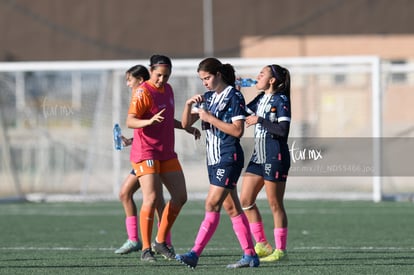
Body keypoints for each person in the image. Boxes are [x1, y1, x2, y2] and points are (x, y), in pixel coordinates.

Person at [176, 57, 259, 269]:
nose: (204, 82)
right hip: (213, 159)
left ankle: (194, 253)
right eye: (201, 79)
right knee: (232, 208)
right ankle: (250, 255)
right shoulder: (207, 97)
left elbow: (238, 130)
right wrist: (188, 105)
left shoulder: (234, 96)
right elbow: (186, 124)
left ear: (218, 75)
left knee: (211, 204)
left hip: (228, 156)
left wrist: (210, 118)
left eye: (207, 77)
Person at [116, 65, 200, 255]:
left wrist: (186, 127)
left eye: (166, 75)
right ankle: (146, 248)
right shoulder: (141, 92)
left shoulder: (168, 90)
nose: (162, 79)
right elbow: (131, 121)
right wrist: (148, 122)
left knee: (180, 197)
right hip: (146, 152)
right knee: (151, 198)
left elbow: (166, 120)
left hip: (166, 152)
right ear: (151, 71)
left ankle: (161, 241)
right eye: (159, 75)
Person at [239, 64, 291, 262]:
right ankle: (261, 244)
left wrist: (260, 120)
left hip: (274, 155)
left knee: (275, 204)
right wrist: (236, 93)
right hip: (257, 157)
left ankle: (281, 250)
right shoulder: (261, 98)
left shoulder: (281, 99)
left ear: (272, 80)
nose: (258, 76)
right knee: (246, 200)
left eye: (262, 73)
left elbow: (282, 130)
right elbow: (243, 112)